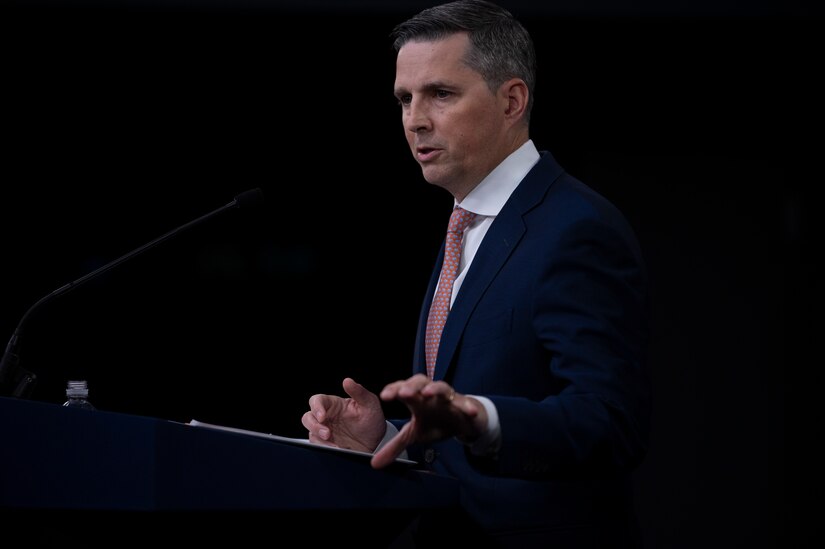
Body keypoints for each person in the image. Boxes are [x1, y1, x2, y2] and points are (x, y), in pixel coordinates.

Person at [301, 1, 651, 546]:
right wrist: (388, 437)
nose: (415, 119)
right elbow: (452, 429)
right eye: (404, 99)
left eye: (441, 94)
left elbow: (609, 423)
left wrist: (477, 417)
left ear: (512, 100)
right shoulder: (466, 223)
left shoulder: (577, 228)